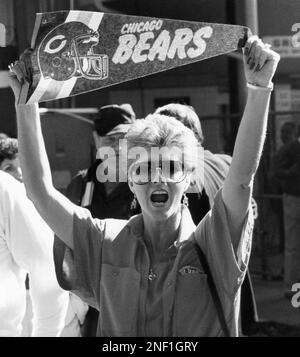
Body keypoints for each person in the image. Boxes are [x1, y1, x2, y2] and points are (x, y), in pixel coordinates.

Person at [10, 36, 280, 336]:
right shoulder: (104, 241)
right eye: (144, 169)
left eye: (171, 168)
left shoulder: (213, 245)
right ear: (130, 180)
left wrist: (259, 90)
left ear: (190, 177)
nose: (157, 178)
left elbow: (241, 181)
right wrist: (26, 101)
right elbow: (40, 192)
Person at [154, 103, 259, 335]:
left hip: (198, 288)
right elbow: (251, 208)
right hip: (234, 276)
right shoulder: (226, 162)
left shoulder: (180, 176)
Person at [0, 138, 87, 336]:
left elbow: (47, 269)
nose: (20, 174)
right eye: (10, 167)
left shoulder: (4, 190)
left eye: (22, 166)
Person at [64, 104, 137, 336]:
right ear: (96, 139)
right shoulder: (81, 185)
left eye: (125, 138)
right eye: (111, 139)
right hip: (91, 299)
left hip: (135, 293)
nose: (119, 147)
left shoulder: (147, 182)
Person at [273, 123, 300, 298]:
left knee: (292, 245)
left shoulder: (287, 150)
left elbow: (277, 172)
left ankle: (291, 287)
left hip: (291, 197)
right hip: (292, 197)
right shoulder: (291, 150)